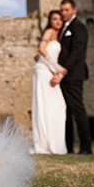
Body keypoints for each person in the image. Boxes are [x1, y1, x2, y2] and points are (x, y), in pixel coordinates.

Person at [51, 0, 93, 155]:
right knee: (66, 111)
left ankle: (86, 147)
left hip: (73, 75)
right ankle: (67, 147)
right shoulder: (64, 28)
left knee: (77, 110)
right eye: (62, 10)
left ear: (74, 10)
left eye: (67, 10)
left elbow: (76, 52)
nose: (64, 13)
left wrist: (62, 71)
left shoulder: (79, 27)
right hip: (65, 75)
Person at [31, 10, 67, 155]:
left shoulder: (58, 35)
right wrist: (58, 68)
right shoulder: (49, 31)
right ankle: (44, 143)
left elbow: (43, 53)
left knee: (56, 106)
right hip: (43, 71)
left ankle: (50, 142)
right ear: (50, 21)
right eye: (54, 19)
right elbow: (41, 48)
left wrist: (42, 58)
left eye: (59, 19)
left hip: (48, 69)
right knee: (47, 105)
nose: (57, 22)